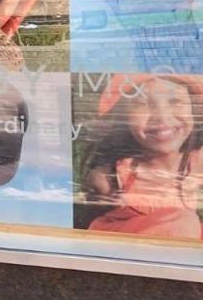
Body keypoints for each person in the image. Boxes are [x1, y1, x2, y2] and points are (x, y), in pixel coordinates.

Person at [81, 73, 203, 239]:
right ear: (123, 117)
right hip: (131, 255)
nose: (161, 116)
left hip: (179, 253)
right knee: (184, 224)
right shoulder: (112, 177)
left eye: (175, 101)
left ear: (193, 109)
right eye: (141, 103)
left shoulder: (196, 162)